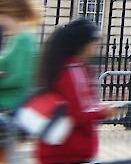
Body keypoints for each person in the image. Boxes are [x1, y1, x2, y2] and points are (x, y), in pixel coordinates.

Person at [36, 18, 118, 164]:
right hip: (69, 150)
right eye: (94, 42)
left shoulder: (67, 66)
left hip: (64, 150)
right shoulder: (72, 70)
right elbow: (76, 113)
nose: (97, 46)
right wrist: (103, 111)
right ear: (84, 44)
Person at [0, 0, 41, 110]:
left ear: (10, 14)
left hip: (9, 104)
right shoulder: (17, 38)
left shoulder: (23, 39)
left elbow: (19, 78)